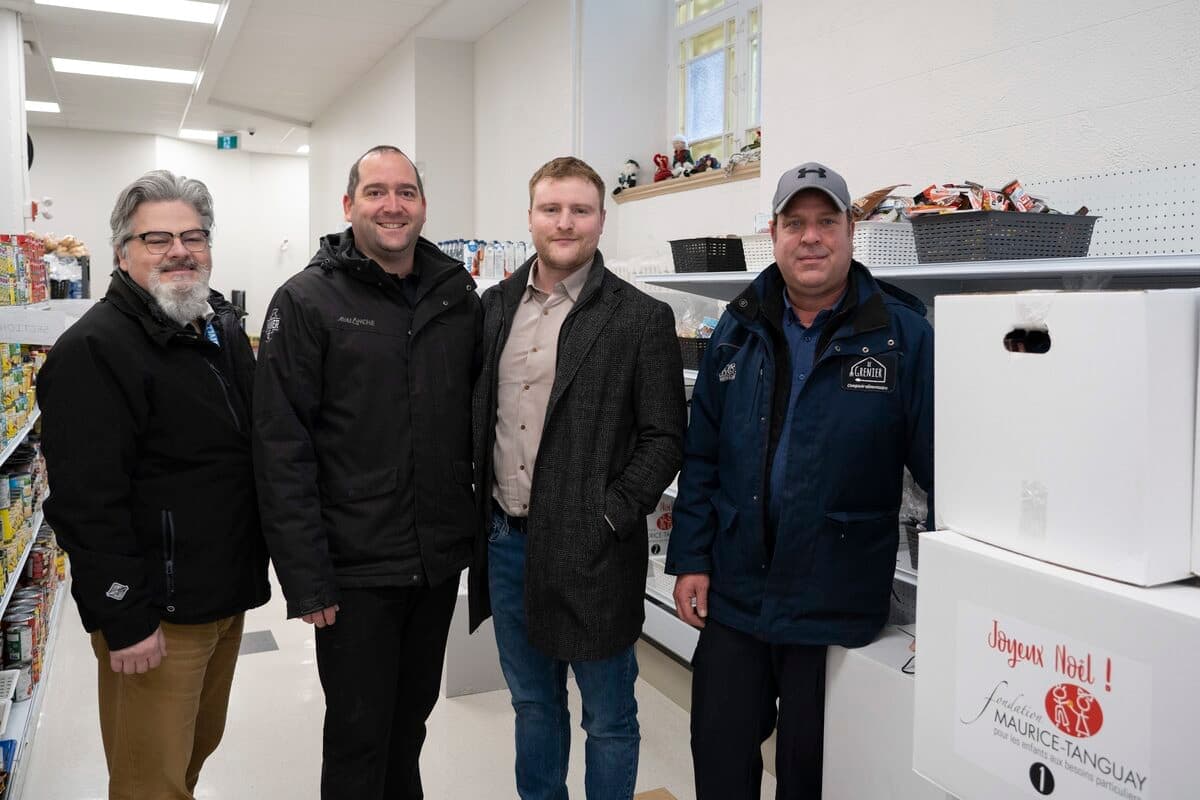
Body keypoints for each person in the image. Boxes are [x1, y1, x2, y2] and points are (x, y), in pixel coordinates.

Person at [666, 162, 934, 799]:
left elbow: (939, 465)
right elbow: (701, 456)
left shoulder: (901, 335)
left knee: (815, 775)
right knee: (721, 756)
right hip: (736, 589)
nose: (810, 237)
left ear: (850, 230)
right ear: (774, 233)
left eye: (826, 222)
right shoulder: (738, 326)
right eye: (795, 223)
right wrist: (692, 559)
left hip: (834, 596)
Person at [252, 145, 481, 800]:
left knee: (409, 726)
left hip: (435, 564)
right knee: (358, 738)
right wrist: (306, 576)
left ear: (423, 206)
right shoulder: (306, 300)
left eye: (405, 191)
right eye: (376, 191)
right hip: (353, 573)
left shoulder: (456, 296)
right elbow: (279, 442)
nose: (392, 204)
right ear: (348, 205)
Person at [37, 170, 269, 800]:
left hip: (221, 595)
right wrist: (123, 615)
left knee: (192, 754)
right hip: (157, 615)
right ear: (122, 252)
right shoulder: (95, 350)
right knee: (150, 780)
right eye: (157, 238)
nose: (179, 251)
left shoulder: (214, 329)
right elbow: (87, 503)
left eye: (193, 236)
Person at [469, 156, 687, 800]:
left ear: (601, 219)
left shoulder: (638, 318)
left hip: (594, 550)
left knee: (609, 716)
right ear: (531, 217)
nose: (565, 223)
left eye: (580, 210)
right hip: (507, 544)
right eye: (551, 209)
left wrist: (609, 515)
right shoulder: (492, 309)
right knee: (534, 704)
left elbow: (665, 436)